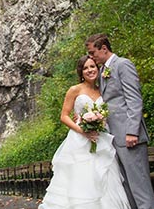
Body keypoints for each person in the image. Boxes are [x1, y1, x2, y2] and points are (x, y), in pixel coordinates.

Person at [39, 55, 131, 209]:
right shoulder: (75, 90)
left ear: (98, 68)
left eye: (92, 66)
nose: (90, 70)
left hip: (100, 139)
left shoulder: (103, 90)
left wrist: (100, 121)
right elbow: (64, 116)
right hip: (79, 140)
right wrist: (83, 130)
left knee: (105, 176)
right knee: (82, 178)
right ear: (81, 72)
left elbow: (109, 113)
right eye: (86, 68)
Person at [85, 33, 154, 209]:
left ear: (104, 48)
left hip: (128, 135)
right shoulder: (102, 71)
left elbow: (134, 99)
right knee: (126, 184)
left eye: (93, 53)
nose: (91, 57)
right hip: (113, 137)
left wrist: (132, 131)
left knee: (139, 183)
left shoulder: (123, 65)